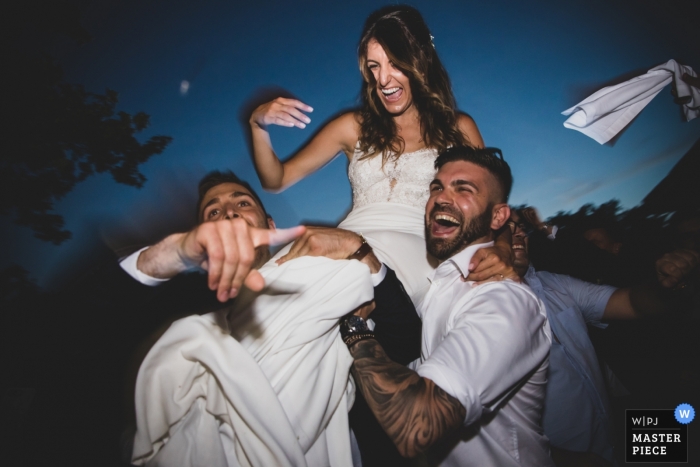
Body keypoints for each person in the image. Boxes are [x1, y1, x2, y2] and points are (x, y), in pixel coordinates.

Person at [117, 170, 422, 466]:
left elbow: (405, 342)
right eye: (213, 213)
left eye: (243, 203)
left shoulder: (318, 279)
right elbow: (88, 335)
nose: (230, 214)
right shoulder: (183, 308)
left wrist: (359, 251)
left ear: (270, 225)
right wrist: (174, 253)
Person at [248, 5, 512, 306]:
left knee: (340, 292)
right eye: (374, 66)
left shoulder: (459, 129)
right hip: (347, 240)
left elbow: (492, 204)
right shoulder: (352, 127)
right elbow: (276, 179)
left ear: (420, 61)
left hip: (417, 253)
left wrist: (503, 247)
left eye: (395, 63)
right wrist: (257, 125)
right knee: (273, 291)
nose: (383, 79)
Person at [341, 146, 554, 466]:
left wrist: (355, 330)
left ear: (498, 216)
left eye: (464, 188)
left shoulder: (503, 301)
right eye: (436, 187)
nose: (441, 197)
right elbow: (414, 372)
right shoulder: (440, 289)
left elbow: (417, 426)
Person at [508, 209, 699, 465]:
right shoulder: (472, 310)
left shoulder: (555, 284)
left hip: (616, 437)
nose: (518, 231)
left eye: (519, 226)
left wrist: (666, 286)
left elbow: (632, 302)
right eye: (504, 227)